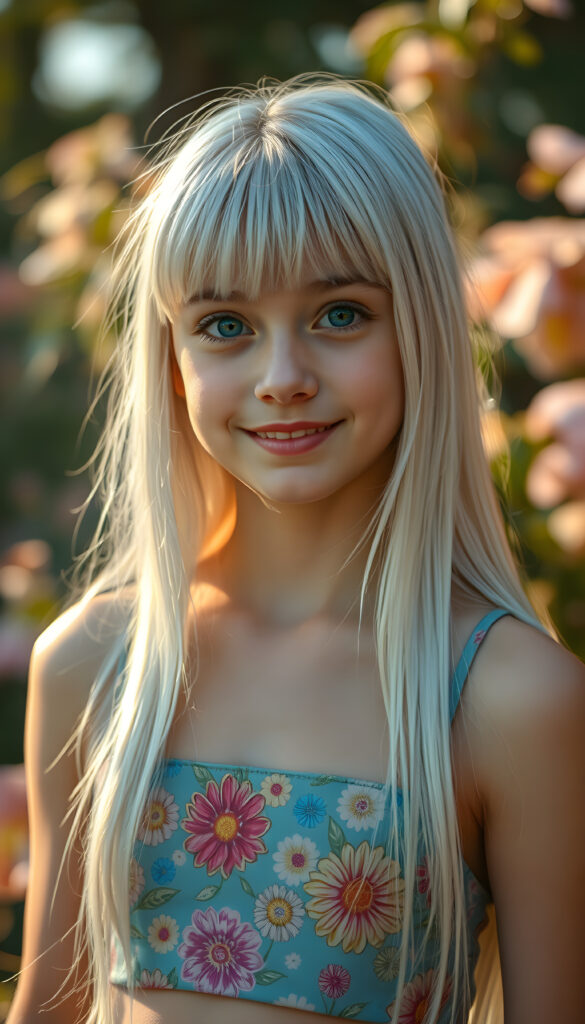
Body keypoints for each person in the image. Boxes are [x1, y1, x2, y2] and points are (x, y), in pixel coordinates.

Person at [7, 75, 585, 1024]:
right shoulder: (99, 663)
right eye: (225, 327)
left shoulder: (505, 697)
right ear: (171, 357)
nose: (282, 378)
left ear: (421, 329)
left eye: (339, 314)